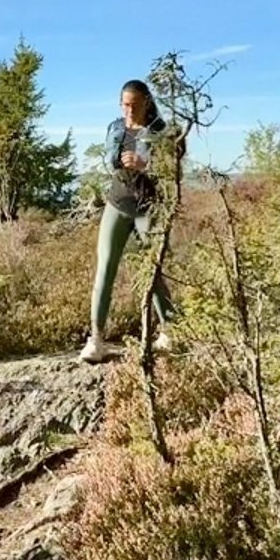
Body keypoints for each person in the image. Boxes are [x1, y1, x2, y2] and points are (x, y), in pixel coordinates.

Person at [82, 79, 181, 364]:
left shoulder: (162, 132)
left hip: (147, 209)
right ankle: (96, 340)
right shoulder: (115, 128)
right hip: (117, 203)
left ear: (147, 102)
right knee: (105, 269)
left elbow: (172, 171)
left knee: (152, 271)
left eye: (134, 105)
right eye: (125, 104)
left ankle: (169, 333)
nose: (129, 110)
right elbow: (110, 161)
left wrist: (145, 164)